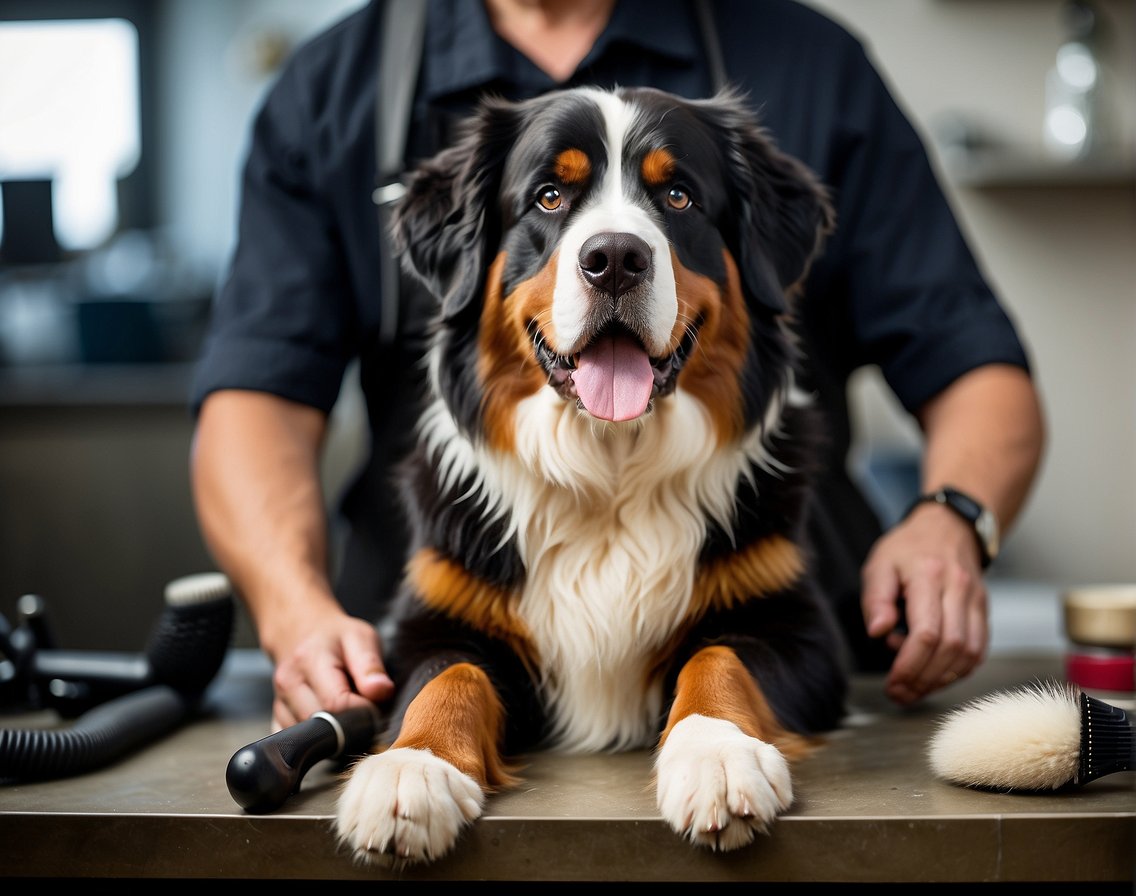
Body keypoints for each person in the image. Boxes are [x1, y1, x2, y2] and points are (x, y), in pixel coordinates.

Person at [189, 0, 1046, 732]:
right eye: (551, 198)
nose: (615, 246)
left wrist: (953, 517)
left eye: (676, 200)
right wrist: (293, 607)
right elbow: (255, 397)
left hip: (779, 625)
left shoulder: (813, 63)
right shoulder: (330, 89)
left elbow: (973, 361)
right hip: (434, 626)